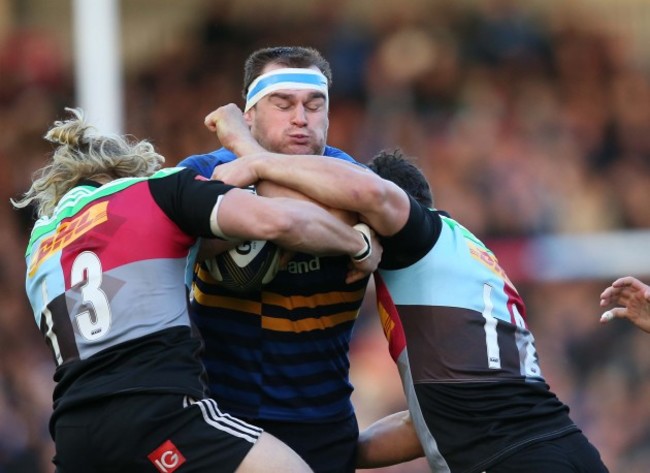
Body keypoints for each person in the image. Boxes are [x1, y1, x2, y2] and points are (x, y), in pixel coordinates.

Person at [11, 108, 377, 473]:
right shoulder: (157, 189)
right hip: (157, 415)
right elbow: (280, 219)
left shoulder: (40, 245)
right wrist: (356, 244)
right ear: (129, 170)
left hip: (73, 436)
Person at [209, 139, 610, 472]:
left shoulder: (412, 236)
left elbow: (366, 193)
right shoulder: (467, 252)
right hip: (567, 446)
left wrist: (253, 156)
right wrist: (327, 449)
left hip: (508, 459)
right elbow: (423, 425)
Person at [178, 46, 372, 473]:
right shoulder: (201, 171)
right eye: (282, 105)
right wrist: (352, 242)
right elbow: (186, 241)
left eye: (314, 106)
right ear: (248, 114)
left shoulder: (357, 181)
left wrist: (249, 159)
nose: (300, 118)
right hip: (221, 417)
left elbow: (334, 208)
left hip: (322, 418)